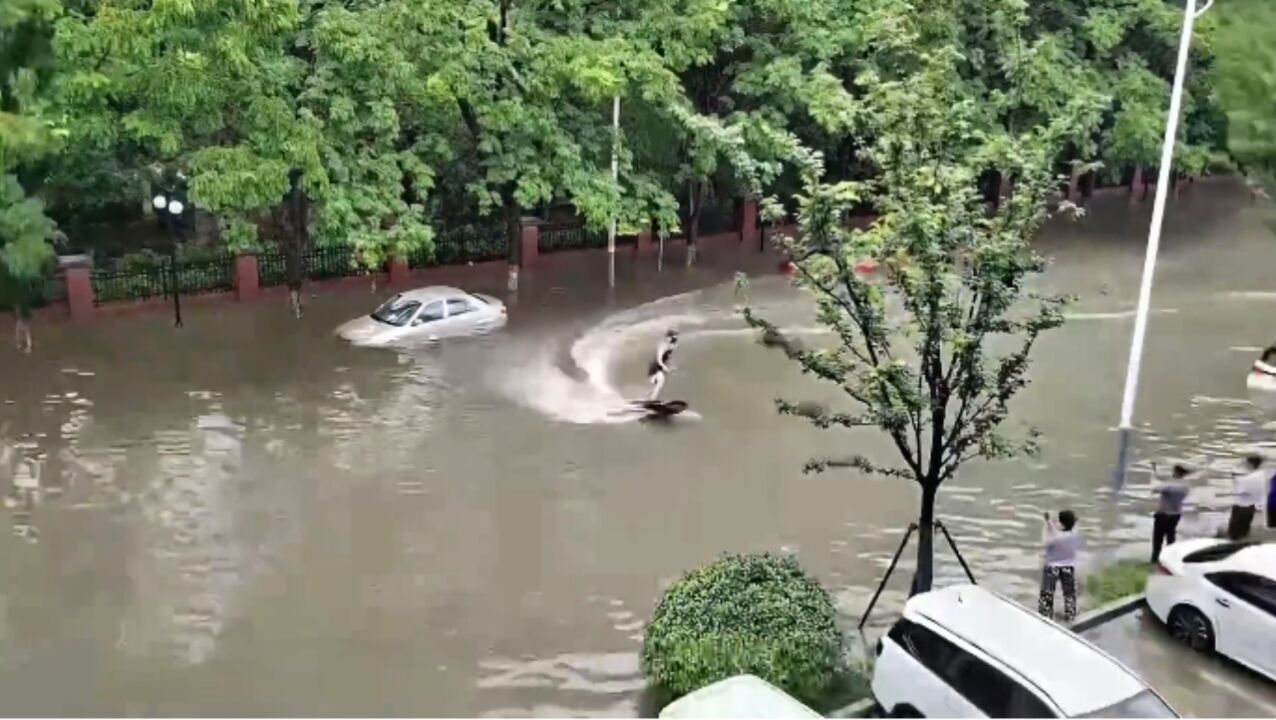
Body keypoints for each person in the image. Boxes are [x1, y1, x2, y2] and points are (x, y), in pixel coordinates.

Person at [1038, 509, 1081, 623]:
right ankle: (1071, 616)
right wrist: (1050, 523)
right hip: (1068, 567)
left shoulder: (1055, 538)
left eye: (1058, 521)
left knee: (1047, 594)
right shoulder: (1074, 534)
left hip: (1052, 568)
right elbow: (1066, 529)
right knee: (1069, 594)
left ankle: (1045, 617)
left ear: (1061, 524)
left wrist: (1046, 525)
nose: (1056, 522)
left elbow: (1045, 541)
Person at [1151, 463, 1191, 563]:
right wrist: (1156, 474)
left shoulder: (1170, 485)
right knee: (1171, 537)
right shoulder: (1185, 486)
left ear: (1176, 472)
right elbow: (1163, 484)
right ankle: (1171, 559)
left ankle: (1155, 559)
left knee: (1158, 539)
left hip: (1163, 515)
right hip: (1175, 515)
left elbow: (1155, 488)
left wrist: (1153, 475)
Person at [1229, 454, 1267, 540]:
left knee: (1233, 534)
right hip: (1251, 507)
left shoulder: (1245, 477)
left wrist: (1240, 464)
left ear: (1249, 464)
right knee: (1244, 529)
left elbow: (1234, 475)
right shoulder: (1260, 475)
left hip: (1240, 507)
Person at [647, 329, 678, 401]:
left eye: (675, 339)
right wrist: (664, 367)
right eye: (673, 338)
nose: (675, 340)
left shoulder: (671, 346)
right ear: (668, 338)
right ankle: (651, 400)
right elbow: (659, 359)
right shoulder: (663, 346)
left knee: (658, 384)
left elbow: (668, 357)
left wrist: (671, 366)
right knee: (660, 381)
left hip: (659, 367)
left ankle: (649, 398)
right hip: (656, 366)